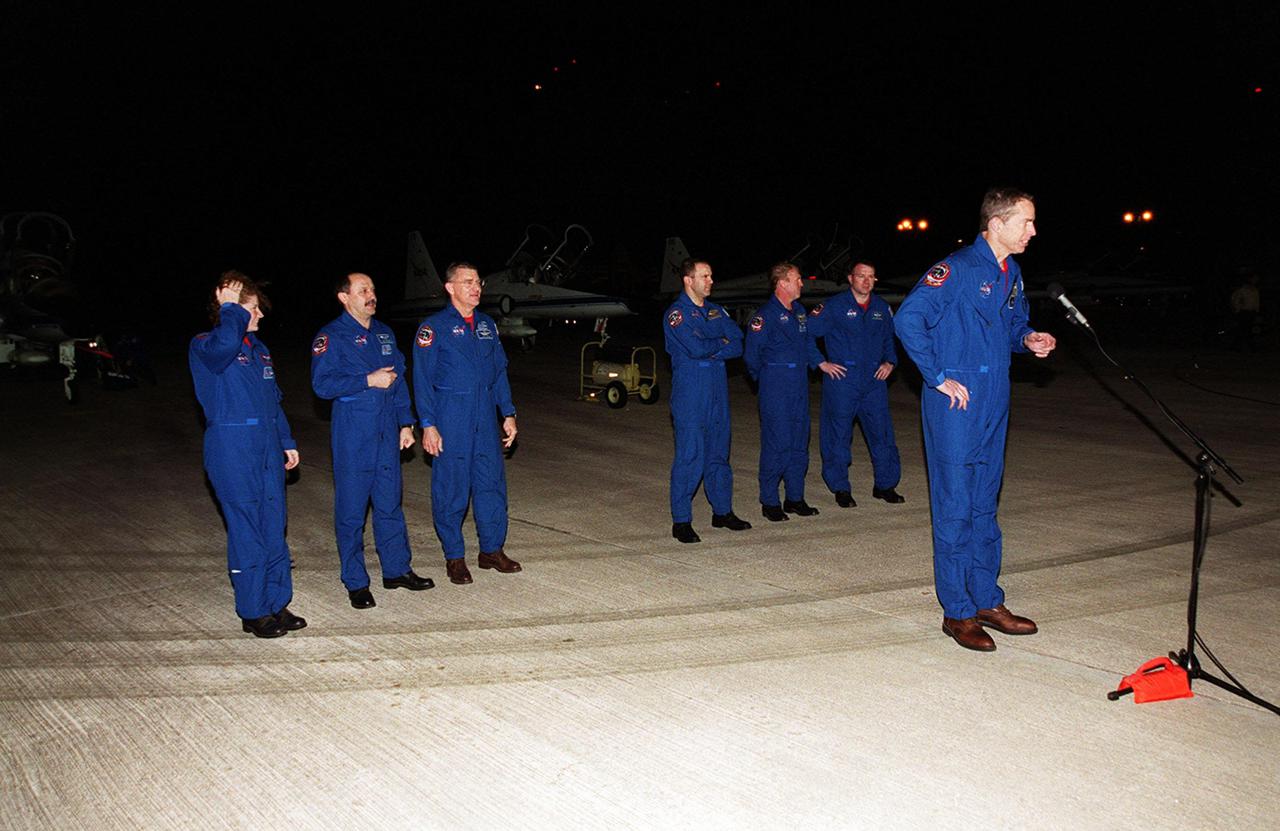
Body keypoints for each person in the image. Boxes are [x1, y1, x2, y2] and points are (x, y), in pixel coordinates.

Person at [895, 187, 1057, 652]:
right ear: (997, 224)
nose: (1032, 230)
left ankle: (987, 598)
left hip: (995, 396)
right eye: (1025, 221)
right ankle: (958, 612)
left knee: (985, 504)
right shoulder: (959, 268)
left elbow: (1012, 325)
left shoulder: (1012, 271)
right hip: (957, 403)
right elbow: (909, 319)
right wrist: (937, 376)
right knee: (955, 507)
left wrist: (1028, 340)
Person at [189, 272, 303, 638]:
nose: (260, 315)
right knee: (246, 531)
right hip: (232, 447)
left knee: (273, 527)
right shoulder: (206, 345)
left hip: (267, 445)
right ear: (230, 311)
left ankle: (276, 603)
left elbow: (274, 401)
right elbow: (224, 349)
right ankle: (253, 611)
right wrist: (230, 311)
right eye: (252, 309)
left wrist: (286, 440)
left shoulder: (260, 351)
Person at [312, 272, 434, 610]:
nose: (371, 295)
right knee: (351, 512)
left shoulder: (384, 333)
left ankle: (396, 570)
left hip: (386, 431)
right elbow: (322, 385)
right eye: (363, 290)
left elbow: (397, 382)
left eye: (373, 289)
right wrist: (367, 380)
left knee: (389, 504)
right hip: (354, 434)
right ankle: (355, 581)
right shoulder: (330, 337)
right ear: (344, 297)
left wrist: (406, 423)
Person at [412, 262, 522, 584]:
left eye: (478, 282)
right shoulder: (433, 329)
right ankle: (455, 557)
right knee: (451, 489)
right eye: (468, 282)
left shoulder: (487, 325)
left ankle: (491, 550)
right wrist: (428, 424)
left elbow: (499, 371)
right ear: (450, 288)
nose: (476, 288)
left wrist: (509, 413)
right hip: (451, 418)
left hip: (486, 418)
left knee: (491, 486)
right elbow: (422, 380)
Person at [663, 258, 752, 543]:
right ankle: (681, 520)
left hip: (717, 392)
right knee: (690, 456)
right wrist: (719, 345)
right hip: (691, 392)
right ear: (688, 280)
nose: (710, 281)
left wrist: (715, 347)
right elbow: (696, 347)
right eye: (705, 276)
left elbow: (738, 342)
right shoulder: (676, 314)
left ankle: (722, 512)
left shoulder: (715, 311)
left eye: (711, 276)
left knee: (719, 454)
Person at [807, 259, 904, 508]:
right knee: (838, 435)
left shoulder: (881, 308)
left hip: (873, 382)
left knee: (881, 434)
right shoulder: (834, 306)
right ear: (850, 278)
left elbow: (890, 340)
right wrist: (821, 363)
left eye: (871, 277)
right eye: (861, 276)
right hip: (843, 382)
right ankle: (840, 487)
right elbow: (806, 332)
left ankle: (885, 485)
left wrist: (890, 363)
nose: (866, 281)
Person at [743, 262, 824, 521]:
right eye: (797, 279)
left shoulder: (800, 312)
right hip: (776, 385)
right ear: (782, 284)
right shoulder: (764, 316)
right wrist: (765, 379)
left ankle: (794, 498)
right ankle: (769, 501)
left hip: (799, 384)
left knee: (800, 442)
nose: (802, 283)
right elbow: (751, 356)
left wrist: (819, 363)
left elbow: (808, 343)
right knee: (777, 443)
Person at [1230, 271, 1260, 352]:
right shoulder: (1242, 290)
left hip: (1252, 312)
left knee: (1249, 330)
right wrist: (1238, 310)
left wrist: (1256, 310)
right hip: (1244, 312)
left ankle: (1248, 346)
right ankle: (1237, 346)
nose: (1256, 280)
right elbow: (1236, 300)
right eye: (1254, 278)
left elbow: (1256, 301)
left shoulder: (1255, 290)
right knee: (1243, 329)